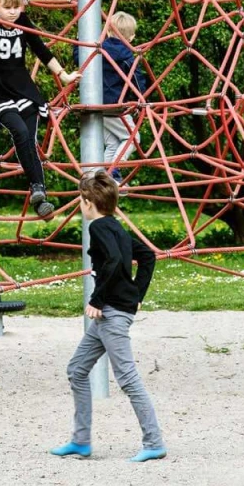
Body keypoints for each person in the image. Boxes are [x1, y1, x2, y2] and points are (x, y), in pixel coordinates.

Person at [50, 172, 165, 463]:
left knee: (127, 378)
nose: (80, 204)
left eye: (80, 200)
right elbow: (148, 256)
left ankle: (154, 442)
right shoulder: (116, 226)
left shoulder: (100, 227)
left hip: (111, 313)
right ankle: (81, 441)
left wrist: (97, 299)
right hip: (112, 312)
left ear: (88, 203)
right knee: (77, 370)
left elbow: (114, 260)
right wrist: (137, 293)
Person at [0, 0, 79, 217]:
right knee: (20, 133)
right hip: (0, 93)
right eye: (7, 7)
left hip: (25, 90)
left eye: (17, 7)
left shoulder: (22, 22)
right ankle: (38, 191)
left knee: (29, 139)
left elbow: (41, 50)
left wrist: (64, 75)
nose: (13, 12)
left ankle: (38, 193)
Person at [97, 9, 151, 176]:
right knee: (133, 138)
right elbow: (136, 81)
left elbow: (79, 58)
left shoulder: (97, 50)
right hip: (115, 106)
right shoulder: (128, 57)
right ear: (131, 38)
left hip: (96, 104)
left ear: (109, 31)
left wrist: (79, 39)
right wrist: (140, 99)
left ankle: (105, 177)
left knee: (113, 143)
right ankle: (114, 170)